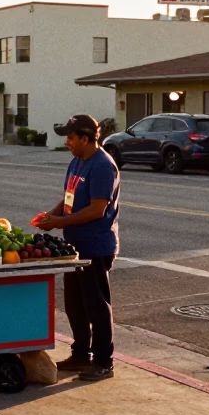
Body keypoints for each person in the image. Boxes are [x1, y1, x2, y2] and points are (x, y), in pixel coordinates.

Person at [34, 113, 120, 380]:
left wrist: (59, 221)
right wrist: (50, 216)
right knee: (74, 304)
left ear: (85, 138)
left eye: (71, 137)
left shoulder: (103, 166)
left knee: (96, 305)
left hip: (95, 246)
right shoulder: (77, 162)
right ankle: (81, 354)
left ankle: (104, 362)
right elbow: (68, 198)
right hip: (74, 247)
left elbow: (96, 209)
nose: (67, 142)